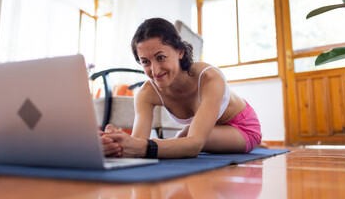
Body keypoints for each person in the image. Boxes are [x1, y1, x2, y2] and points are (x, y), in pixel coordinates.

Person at [100, 17, 262, 159]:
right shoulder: (146, 93)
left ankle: (253, 143)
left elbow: (194, 145)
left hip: (243, 127)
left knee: (185, 139)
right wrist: (114, 143)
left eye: (161, 57)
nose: (155, 71)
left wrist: (143, 147)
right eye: (145, 62)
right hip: (208, 130)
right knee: (182, 138)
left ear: (180, 52)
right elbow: (137, 141)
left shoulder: (210, 78)